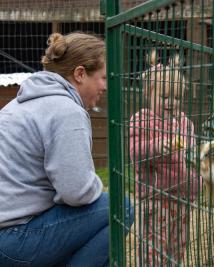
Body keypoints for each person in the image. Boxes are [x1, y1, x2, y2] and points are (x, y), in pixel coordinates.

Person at [0, 32, 132, 267]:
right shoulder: (66, 110)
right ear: (80, 74)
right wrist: (97, 185)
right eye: (102, 77)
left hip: (8, 234)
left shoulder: (18, 105)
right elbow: (77, 192)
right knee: (121, 207)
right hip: (13, 241)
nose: (105, 86)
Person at [130, 50, 200, 266]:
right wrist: (158, 147)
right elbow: (135, 151)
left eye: (177, 97)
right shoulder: (140, 120)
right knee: (153, 249)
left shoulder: (185, 122)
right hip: (155, 198)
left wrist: (197, 179)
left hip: (182, 198)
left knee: (177, 248)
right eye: (165, 97)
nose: (172, 102)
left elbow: (193, 155)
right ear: (148, 94)